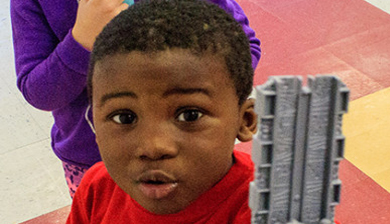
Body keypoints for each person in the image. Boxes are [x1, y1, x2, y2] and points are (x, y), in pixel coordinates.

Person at [10, 0, 261, 198]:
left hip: (195, 159)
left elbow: (245, 48)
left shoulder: (245, 200)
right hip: (89, 160)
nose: (152, 146)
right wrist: (80, 42)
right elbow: (38, 91)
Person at [66, 0, 257, 223]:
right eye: (124, 118)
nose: (153, 147)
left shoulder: (268, 209)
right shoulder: (96, 189)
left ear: (245, 121)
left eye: (190, 115)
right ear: (95, 126)